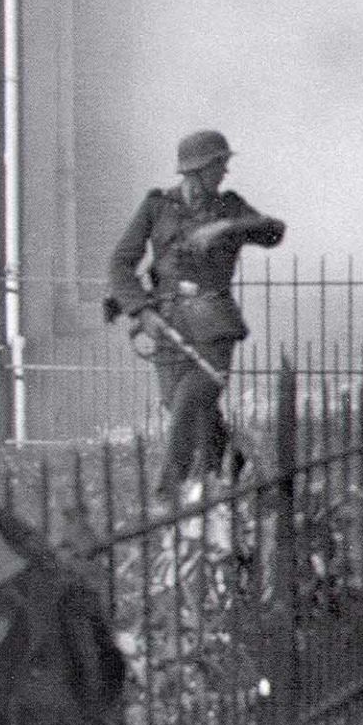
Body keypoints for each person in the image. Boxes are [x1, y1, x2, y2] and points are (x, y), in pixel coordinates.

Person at [108, 130, 285, 503]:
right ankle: (236, 467)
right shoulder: (157, 207)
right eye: (219, 165)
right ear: (197, 170)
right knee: (185, 407)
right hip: (167, 320)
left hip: (213, 321)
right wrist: (141, 309)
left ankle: (166, 493)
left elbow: (273, 231)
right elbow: (121, 262)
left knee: (191, 401)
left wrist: (227, 227)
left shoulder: (230, 207)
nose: (224, 173)